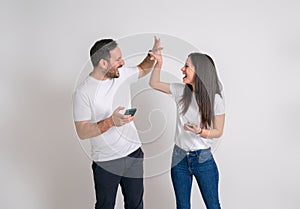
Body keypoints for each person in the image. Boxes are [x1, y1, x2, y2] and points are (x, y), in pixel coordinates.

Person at [73, 36, 161, 209]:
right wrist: (111, 122)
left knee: (135, 205)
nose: (122, 62)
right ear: (103, 63)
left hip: (133, 153)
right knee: (105, 206)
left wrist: (153, 54)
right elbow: (82, 131)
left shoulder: (121, 75)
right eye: (118, 59)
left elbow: (143, 68)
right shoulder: (83, 93)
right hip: (106, 162)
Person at [149, 50, 225, 209]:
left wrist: (200, 131)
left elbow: (218, 131)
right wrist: (159, 63)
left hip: (202, 159)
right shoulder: (180, 91)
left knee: (213, 205)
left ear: (199, 71)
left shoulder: (215, 99)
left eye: (186, 66)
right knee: (182, 206)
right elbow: (154, 83)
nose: (182, 69)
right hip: (179, 158)